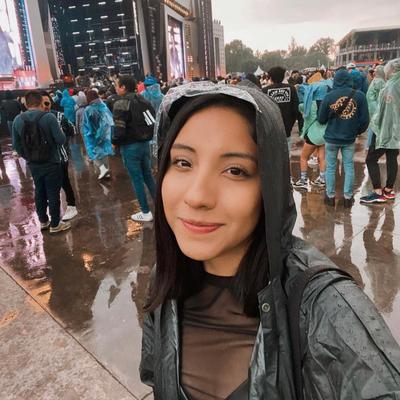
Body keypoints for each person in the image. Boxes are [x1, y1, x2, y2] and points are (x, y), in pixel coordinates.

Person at [139, 82, 400, 399]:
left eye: (235, 170)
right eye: (183, 162)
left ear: (271, 185)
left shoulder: (322, 306)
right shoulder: (166, 282)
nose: (197, 196)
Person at [12, 91, 71, 233]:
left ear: (26, 104)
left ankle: (43, 221)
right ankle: (55, 224)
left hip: (33, 164)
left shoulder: (18, 120)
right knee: (53, 192)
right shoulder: (49, 117)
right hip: (52, 161)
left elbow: (16, 145)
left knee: (39, 191)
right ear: (41, 102)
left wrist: (28, 157)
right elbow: (61, 139)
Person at [318, 68, 369, 207]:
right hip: (349, 138)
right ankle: (347, 198)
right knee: (349, 167)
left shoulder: (329, 96)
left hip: (331, 138)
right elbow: (365, 120)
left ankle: (330, 196)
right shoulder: (360, 96)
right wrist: (356, 131)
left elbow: (321, 119)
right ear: (349, 80)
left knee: (330, 167)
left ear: (335, 80)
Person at [112, 75, 156, 222]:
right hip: (144, 144)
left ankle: (145, 212)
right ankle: (160, 206)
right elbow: (152, 121)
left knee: (137, 179)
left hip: (130, 146)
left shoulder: (121, 103)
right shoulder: (143, 100)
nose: (115, 88)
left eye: (117, 85)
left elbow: (119, 129)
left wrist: (114, 142)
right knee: (148, 176)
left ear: (123, 87)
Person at [361, 58, 400, 204]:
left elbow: (385, 111)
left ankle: (377, 191)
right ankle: (389, 190)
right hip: (396, 130)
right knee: (392, 158)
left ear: (393, 69)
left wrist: (378, 126)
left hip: (386, 129)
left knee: (371, 158)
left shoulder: (391, 86)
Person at [41, 91, 78, 221]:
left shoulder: (58, 116)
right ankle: (50, 214)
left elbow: (72, 129)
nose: (45, 106)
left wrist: (62, 135)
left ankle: (71, 205)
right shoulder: (33, 119)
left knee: (64, 182)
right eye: (41, 103)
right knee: (47, 186)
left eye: (47, 103)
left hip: (60, 157)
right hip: (43, 159)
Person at [293, 83, 328, 189]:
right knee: (322, 158)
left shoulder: (308, 105)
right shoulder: (327, 104)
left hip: (313, 136)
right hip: (324, 135)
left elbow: (299, 105)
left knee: (304, 157)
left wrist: (300, 90)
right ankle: (322, 179)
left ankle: (303, 180)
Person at [263, 66, 299, 152]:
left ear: (271, 77)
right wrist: (291, 124)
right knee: (286, 154)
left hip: (271, 130)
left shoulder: (265, 90)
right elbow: (296, 109)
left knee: (273, 154)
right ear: (283, 76)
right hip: (286, 128)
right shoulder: (291, 89)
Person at [82, 90, 114, 180]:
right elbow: (109, 119)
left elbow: (87, 124)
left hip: (93, 135)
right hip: (105, 133)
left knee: (93, 152)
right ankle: (106, 171)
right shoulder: (103, 105)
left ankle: (102, 169)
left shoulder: (88, 109)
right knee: (104, 152)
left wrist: (90, 134)